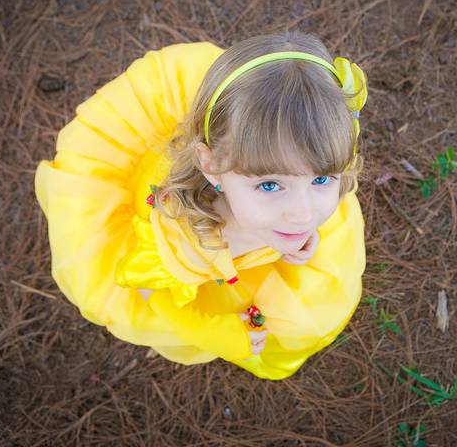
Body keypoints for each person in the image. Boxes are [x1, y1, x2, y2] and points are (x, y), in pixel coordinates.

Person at [34, 30, 368, 380]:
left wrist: (297, 240)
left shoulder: (286, 199)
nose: (303, 213)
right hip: (191, 264)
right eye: (270, 185)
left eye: (320, 180)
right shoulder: (182, 236)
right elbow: (153, 294)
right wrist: (213, 333)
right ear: (212, 166)